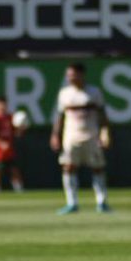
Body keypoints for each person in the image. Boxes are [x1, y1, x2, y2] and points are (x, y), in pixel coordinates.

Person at [50, 62, 112, 214]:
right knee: (68, 167)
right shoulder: (64, 93)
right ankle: (72, 203)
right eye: (68, 75)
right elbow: (59, 117)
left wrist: (106, 132)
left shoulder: (94, 92)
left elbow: (103, 115)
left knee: (98, 168)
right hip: (71, 137)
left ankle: (101, 202)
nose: (70, 78)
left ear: (81, 74)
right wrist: (55, 135)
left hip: (91, 135)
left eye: (73, 75)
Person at [0, 95, 24, 194]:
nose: (3, 106)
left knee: (14, 170)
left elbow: (16, 133)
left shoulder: (10, 117)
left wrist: (21, 128)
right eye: (0, 104)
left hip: (9, 150)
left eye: (4, 104)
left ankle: (19, 189)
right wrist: (1, 144)